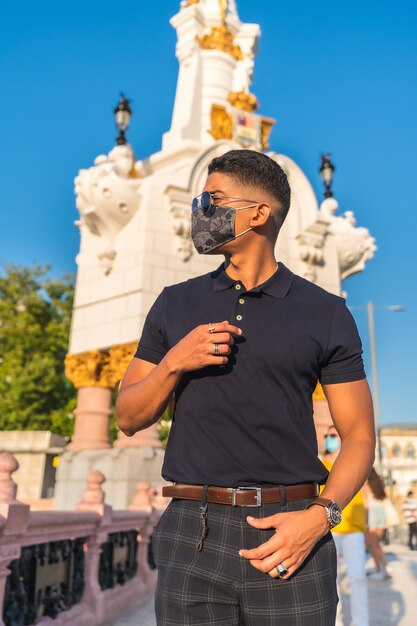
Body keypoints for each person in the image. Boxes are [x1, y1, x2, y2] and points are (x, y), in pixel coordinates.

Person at [117, 149, 375, 625]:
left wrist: (320, 518)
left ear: (258, 213)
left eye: (212, 199)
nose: (201, 212)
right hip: (190, 529)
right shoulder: (175, 303)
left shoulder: (326, 312)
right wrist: (175, 362)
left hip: (292, 530)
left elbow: (359, 436)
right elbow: (129, 417)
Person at [322, 427, 369, 626]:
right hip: (328, 529)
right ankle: (337, 621)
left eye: (333, 435)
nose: (329, 439)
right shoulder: (319, 463)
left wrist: (366, 526)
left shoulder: (353, 461)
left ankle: (361, 622)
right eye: (327, 436)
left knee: (357, 577)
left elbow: (365, 495)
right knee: (332, 580)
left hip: (354, 529)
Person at [363, 467, 391, 580]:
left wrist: (364, 522)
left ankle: (382, 569)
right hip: (381, 515)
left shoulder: (365, 486)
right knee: (377, 545)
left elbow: (365, 504)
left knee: (373, 546)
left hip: (371, 516)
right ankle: (382, 568)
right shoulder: (379, 484)